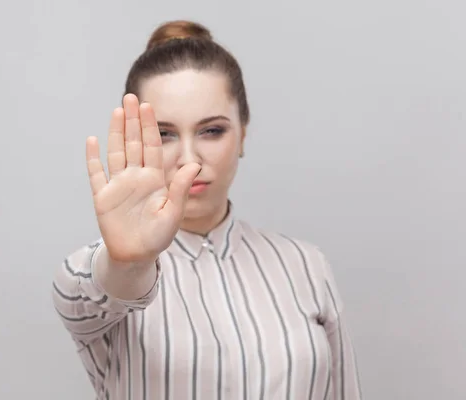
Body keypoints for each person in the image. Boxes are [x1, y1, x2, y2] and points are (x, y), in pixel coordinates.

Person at [52, 20, 362, 400]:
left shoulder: (306, 265)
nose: (189, 160)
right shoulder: (105, 270)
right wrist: (128, 262)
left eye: (212, 130)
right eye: (164, 134)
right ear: (136, 140)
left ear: (243, 133)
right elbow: (80, 293)